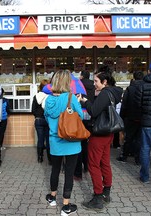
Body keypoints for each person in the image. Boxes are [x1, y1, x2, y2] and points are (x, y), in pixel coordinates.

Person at [80, 71, 123, 210]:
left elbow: (93, 111)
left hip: (99, 133)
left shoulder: (105, 93)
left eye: (96, 81)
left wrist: (85, 101)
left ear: (104, 82)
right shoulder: (113, 93)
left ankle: (97, 197)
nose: (94, 84)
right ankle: (106, 192)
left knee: (93, 165)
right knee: (104, 163)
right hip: (108, 133)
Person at [44, 70, 83, 216]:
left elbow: (48, 119)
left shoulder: (48, 100)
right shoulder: (71, 98)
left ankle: (52, 197)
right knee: (69, 173)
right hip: (71, 141)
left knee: (55, 169)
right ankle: (66, 206)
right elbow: (81, 116)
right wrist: (77, 104)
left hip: (55, 141)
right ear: (67, 82)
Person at [117, 71, 144, 165]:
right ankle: (138, 159)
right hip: (142, 117)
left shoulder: (130, 89)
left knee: (128, 138)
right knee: (139, 139)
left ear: (134, 78)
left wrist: (122, 117)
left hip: (130, 117)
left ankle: (124, 156)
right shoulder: (146, 87)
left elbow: (124, 104)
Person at [74, 70, 95, 180]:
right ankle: (87, 167)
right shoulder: (94, 85)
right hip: (90, 115)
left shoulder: (78, 85)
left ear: (81, 76)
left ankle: (77, 173)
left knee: (78, 144)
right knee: (87, 143)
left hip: (80, 115)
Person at [32, 79, 50, 164]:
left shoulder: (36, 96)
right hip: (47, 120)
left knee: (40, 139)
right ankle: (50, 159)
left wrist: (37, 116)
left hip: (38, 120)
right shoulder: (49, 97)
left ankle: (40, 157)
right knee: (48, 139)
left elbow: (33, 110)